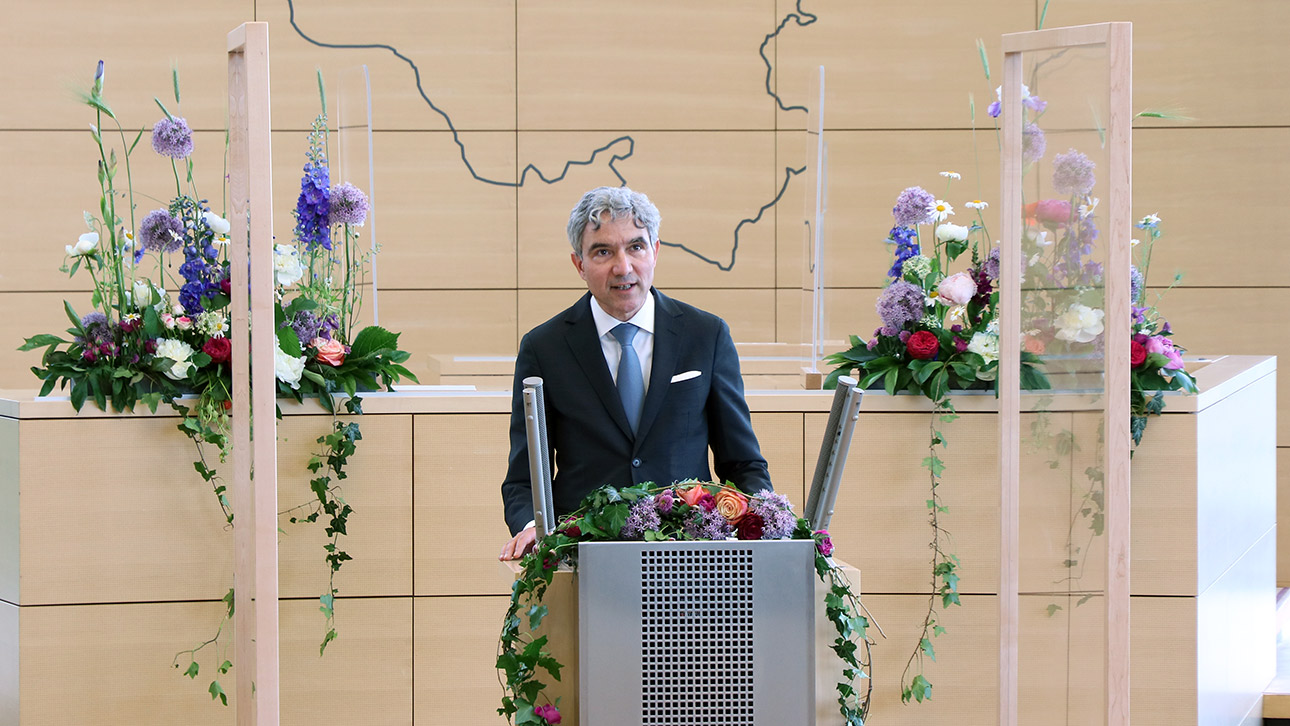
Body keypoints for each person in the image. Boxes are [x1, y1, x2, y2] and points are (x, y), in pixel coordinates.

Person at [499, 186, 772, 560]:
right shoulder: (544, 348)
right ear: (579, 264)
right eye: (602, 252)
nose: (623, 267)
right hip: (583, 557)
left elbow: (742, 463)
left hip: (688, 554)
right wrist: (534, 529)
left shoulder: (705, 336)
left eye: (636, 247)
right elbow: (524, 478)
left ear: (655, 252)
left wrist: (767, 523)